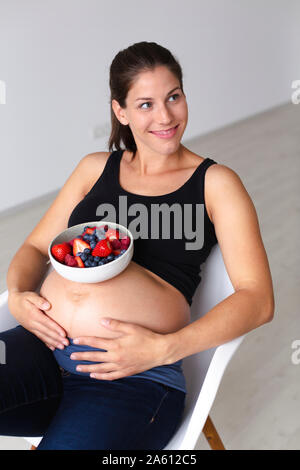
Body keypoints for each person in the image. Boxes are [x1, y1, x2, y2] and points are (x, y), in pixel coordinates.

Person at [0, 41, 275, 450]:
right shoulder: (94, 169)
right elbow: (36, 248)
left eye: (174, 97)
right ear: (121, 111)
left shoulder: (216, 184)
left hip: (132, 381)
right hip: (42, 350)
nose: (165, 116)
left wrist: (164, 349)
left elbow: (258, 300)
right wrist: (20, 295)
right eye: (145, 104)